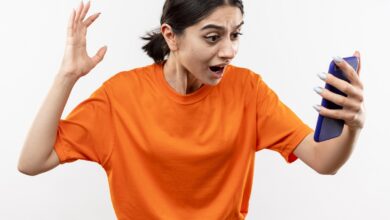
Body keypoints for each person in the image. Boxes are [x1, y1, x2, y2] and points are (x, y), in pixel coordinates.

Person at [17, 0, 365, 219]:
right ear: (171, 36)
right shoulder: (120, 97)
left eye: (235, 34)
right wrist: (67, 76)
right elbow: (33, 162)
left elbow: (323, 161)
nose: (230, 51)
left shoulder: (248, 90)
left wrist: (351, 125)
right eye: (213, 38)